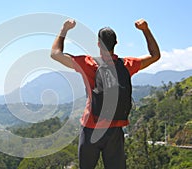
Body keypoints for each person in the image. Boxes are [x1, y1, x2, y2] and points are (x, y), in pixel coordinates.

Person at [51, 18, 160, 169]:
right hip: (115, 128)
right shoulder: (127, 65)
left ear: (98, 44)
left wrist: (64, 29)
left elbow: (55, 54)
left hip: (91, 127)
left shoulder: (88, 63)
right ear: (116, 43)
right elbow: (155, 55)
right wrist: (145, 30)